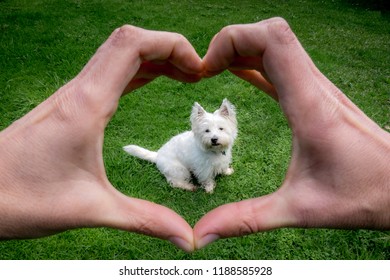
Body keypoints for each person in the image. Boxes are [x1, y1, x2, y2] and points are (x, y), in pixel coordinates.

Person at [0, 18, 389, 253]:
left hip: (195, 154)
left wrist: (223, 163)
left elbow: (220, 149)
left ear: (230, 125)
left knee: (220, 164)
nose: (215, 135)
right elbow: (204, 159)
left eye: (221, 129)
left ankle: (214, 174)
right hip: (174, 160)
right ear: (196, 128)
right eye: (208, 130)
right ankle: (185, 181)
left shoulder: (223, 135)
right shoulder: (193, 146)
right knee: (194, 170)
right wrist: (207, 179)